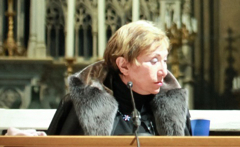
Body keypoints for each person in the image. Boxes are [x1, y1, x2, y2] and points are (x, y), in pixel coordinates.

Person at [47, 20, 191, 136]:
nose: (164, 72)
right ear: (123, 66)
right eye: (153, 61)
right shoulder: (82, 104)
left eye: (164, 60)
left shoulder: (174, 108)